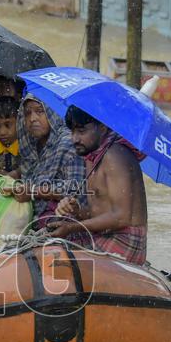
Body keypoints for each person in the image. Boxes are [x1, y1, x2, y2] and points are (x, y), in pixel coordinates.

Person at [50, 107, 149, 264]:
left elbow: (121, 218)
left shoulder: (114, 155)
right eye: (72, 131)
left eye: (81, 131)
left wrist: (72, 228)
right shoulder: (92, 156)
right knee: (48, 248)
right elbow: (99, 212)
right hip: (102, 233)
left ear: (102, 128)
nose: (74, 139)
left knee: (61, 265)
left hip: (125, 240)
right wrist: (77, 212)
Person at [0, 95, 86, 226]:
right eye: (28, 113)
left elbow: (75, 189)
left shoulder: (68, 143)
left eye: (40, 111)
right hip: (35, 223)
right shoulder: (31, 146)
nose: (32, 119)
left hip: (64, 225)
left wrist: (33, 191)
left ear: (52, 112)